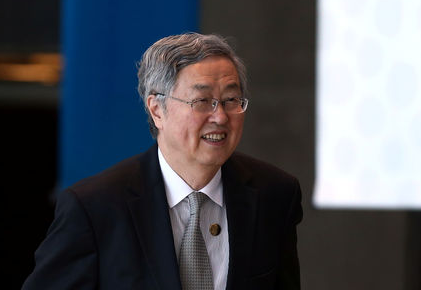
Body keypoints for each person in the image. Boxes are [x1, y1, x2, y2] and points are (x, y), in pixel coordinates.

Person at [23, 33, 302, 289]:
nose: (220, 116)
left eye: (231, 99)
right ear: (157, 110)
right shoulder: (95, 207)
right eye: (202, 101)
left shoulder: (274, 195)